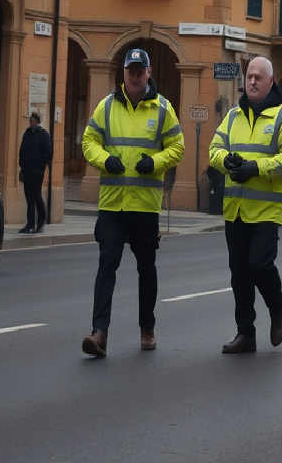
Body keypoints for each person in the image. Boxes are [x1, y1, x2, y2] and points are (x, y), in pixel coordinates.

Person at [80, 48, 184, 358]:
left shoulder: (163, 109)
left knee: (146, 269)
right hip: (112, 206)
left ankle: (147, 328)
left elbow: (177, 147)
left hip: (144, 207)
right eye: (131, 70)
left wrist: (155, 162)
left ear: (148, 73)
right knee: (106, 267)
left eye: (140, 70)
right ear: (123, 73)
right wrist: (104, 160)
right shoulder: (106, 106)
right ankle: (99, 333)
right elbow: (89, 141)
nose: (135, 76)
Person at [208, 56, 282, 354]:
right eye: (249, 77)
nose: (253, 81)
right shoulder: (233, 116)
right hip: (235, 209)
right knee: (239, 275)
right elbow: (214, 150)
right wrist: (228, 162)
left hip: (266, 212)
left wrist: (254, 168)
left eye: (259, 77)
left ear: (271, 82)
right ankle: (245, 333)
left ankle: (277, 306)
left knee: (260, 264)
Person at [17, 110, 52, 234]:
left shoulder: (44, 135)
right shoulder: (27, 133)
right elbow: (22, 150)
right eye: (30, 120)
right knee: (29, 198)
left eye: (32, 121)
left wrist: (41, 167)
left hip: (37, 171)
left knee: (35, 195)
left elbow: (48, 153)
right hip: (26, 170)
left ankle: (41, 220)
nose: (30, 122)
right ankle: (30, 224)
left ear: (37, 121)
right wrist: (21, 166)